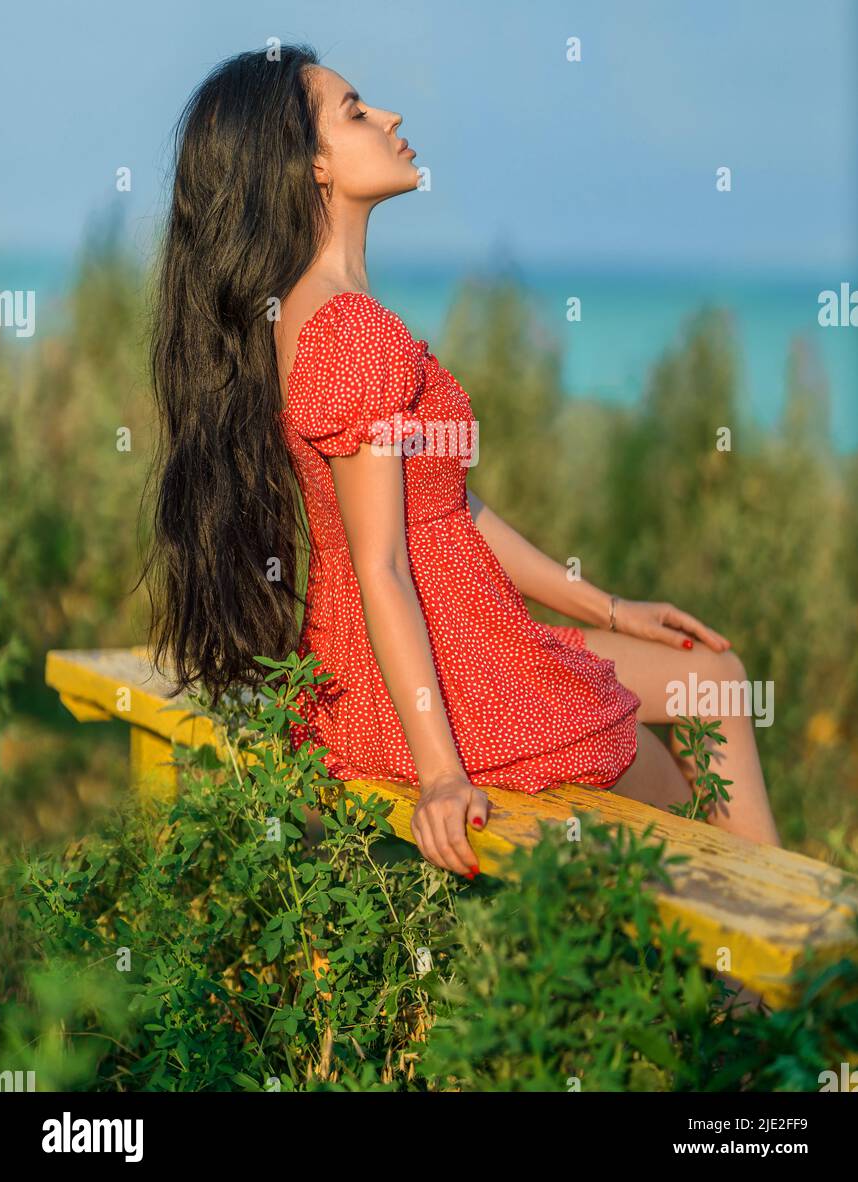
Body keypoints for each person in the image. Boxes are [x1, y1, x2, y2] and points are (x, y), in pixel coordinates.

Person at [145, 44, 781, 882]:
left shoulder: (312, 314)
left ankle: (779, 975)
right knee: (702, 836)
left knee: (716, 678)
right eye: (357, 110)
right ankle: (788, 982)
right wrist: (442, 773)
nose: (391, 118)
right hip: (449, 681)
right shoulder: (350, 329)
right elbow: (380, 564)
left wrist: (614, 608)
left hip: (424, 657)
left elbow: (444, 510)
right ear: (312, 168)